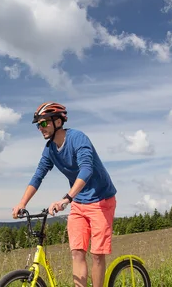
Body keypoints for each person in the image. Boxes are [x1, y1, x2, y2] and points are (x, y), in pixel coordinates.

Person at [12, 102, 117, 287]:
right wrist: (22, 203)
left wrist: (67, 198)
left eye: (43, 123)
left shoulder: (78, 138)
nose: (40, 128)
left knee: (97, 255)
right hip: (79, 203)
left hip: (101, 200)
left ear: (58, 121)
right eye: (38, 125)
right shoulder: (50, 149)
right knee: (77, 252)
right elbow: (38, 176)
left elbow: (86, 169)